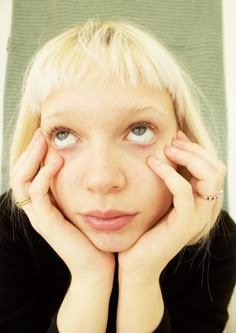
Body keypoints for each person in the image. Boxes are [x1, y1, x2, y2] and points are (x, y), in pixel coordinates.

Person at [0, 18, 235, 333]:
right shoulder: (7, 228)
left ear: (183, 139)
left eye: (139, 130)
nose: (101, 179)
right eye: (64, 134)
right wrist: (90, 276)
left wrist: (141, 275)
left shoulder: (218, 239)